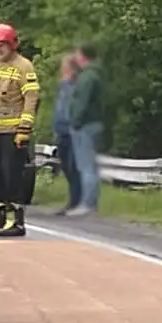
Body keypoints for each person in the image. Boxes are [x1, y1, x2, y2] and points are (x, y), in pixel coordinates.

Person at [0, 23, 40, 238]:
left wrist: (24, 128)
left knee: (12, 176)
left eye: (2, 45)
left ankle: (15, 222)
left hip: (13, 133)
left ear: (12, 45)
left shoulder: (23, 67)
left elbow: (31, 98)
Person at [65, 42, 107, 217]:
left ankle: (88, 204)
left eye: (77, 54)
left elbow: (82, 101)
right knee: (90, 165)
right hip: (93, 123)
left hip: (85, 125)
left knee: (86, 166)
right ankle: (90, 202)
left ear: (83, 55)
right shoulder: (96, 74)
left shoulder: (88, 77)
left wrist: (75, 121)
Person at [49, 53, 82, 215]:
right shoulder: (63, 86)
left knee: (73, 167)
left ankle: (77, 202)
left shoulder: (78, 86)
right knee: (66, 167)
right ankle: (74, 201)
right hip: (62, 131)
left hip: (74, 133)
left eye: (66, 66)